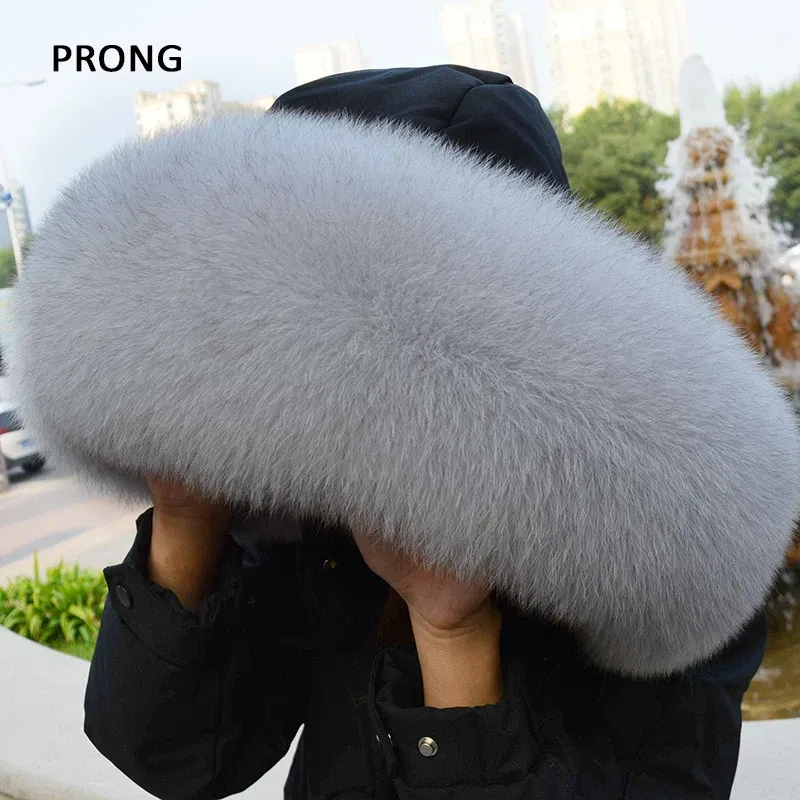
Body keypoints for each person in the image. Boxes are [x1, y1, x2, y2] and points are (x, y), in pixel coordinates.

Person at [83, 67, 767, 800]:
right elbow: (177, 755)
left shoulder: (676, 541)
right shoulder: (311, 502)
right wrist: (187, 516)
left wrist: (453, 633)